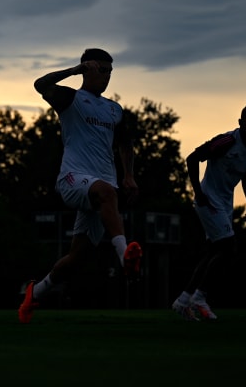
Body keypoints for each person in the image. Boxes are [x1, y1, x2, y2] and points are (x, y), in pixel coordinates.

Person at [18, 48, 142, 324]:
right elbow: (41, 85)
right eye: (101, 70)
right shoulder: (71, 98)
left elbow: (125, 143)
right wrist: (74, 70)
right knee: (106, 192)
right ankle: (126, 258)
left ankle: (34, 292)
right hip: (73, 180)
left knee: (77, 259)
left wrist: (129, 176)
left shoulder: (114, 109)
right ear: (89, 69)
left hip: (101, 189)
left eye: (110, 71)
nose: (106, 76)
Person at [171, 105, 246, 321]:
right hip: (209, 199)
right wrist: (198, 192)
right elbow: (192, 159)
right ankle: (199, 298)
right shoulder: (227, 141)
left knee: (214, 252)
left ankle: (183, 301)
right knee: (229, 248)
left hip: (225, 203)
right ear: (240, 123)